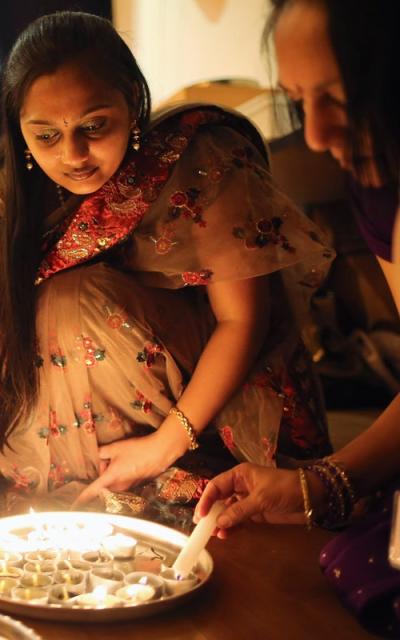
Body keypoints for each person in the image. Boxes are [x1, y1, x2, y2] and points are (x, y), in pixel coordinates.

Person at [0, 10, 336, 548]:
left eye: (94, 127)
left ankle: (136, 468)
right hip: (52, 430)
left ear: (133, 105)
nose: (73, 155)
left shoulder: (195, 161)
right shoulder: (1, 199)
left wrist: (163, 444)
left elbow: (243, 320)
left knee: (73, 299)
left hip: (191, 405)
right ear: (19, 130)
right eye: (45, 135)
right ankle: (69, 474)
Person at [197, 0, 400, 533]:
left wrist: (325, 484)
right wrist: (317, 485)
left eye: (337, 97)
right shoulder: (376, 187)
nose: (314, 135)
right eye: (298, 101)